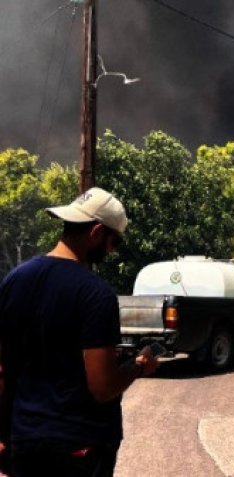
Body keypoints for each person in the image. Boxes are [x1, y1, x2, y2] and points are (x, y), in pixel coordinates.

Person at [0, 187, 158, 477]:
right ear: (97, 232)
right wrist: (138, 365)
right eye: (115, 241)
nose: (112, 251)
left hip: (23, 440)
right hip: (79, 444)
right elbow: (102, 387)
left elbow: (5, 365)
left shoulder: (13, 280)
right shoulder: (95, 294)